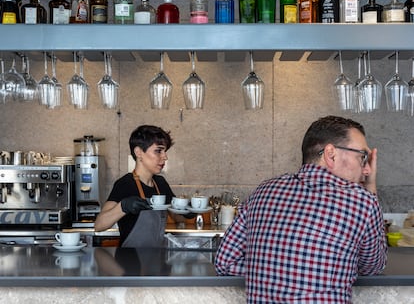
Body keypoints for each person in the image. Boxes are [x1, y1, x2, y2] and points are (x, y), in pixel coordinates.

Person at [215, 115, 387, 303]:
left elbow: (225, 262)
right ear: (331, 154)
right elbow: (372, 267)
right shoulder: (362, 202)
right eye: (362, 157)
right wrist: (370, 187)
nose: (367, 170)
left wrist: (274, 269)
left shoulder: (263, 191)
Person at [94, 125, 175, 247]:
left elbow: (178, 217)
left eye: (165, 151)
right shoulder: (125, 184)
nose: (165, 157)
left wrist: (188, 211)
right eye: (158, 151)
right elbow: (99, 225)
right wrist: (123, 206)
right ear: (138, 152)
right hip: (129, 261)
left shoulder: (160, 183)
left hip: (156, 259)